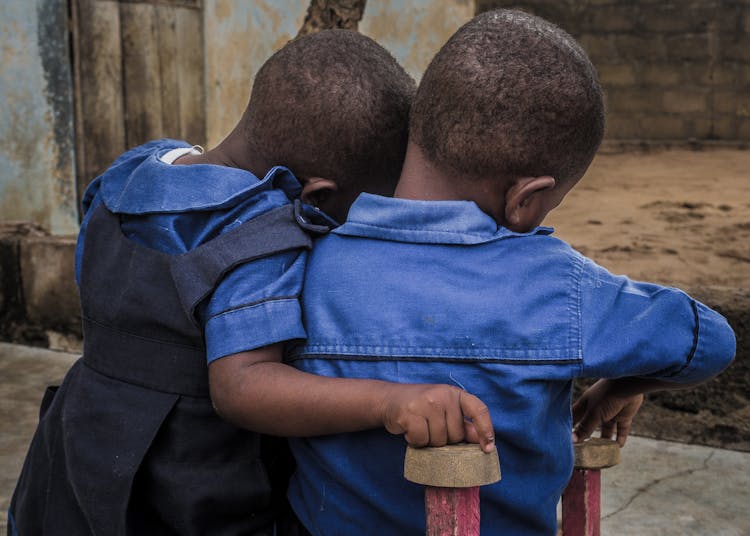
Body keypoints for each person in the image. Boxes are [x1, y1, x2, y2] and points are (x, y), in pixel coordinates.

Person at [8, 30, 495, 536]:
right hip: (181, 483)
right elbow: (242, 385)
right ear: (318, 195)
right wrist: (389, 402)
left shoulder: (134, 169)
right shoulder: (260, 232)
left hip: (76, 444)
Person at [286, 10, 736, 535]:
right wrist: (622, 382)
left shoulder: (304, 261)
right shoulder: (558, 286)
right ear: (526, 199)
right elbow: (711, 342)